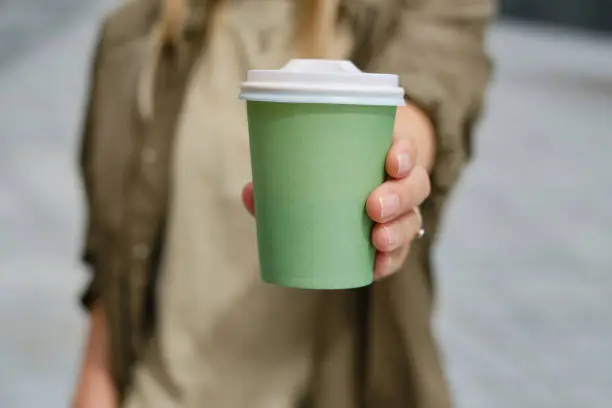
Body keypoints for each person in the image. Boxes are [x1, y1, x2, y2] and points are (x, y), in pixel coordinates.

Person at [71, 0, 493, 407]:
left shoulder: (420, 8)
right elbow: (115, 274)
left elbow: (430, 81)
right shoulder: (133, 33)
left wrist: (396, 175)